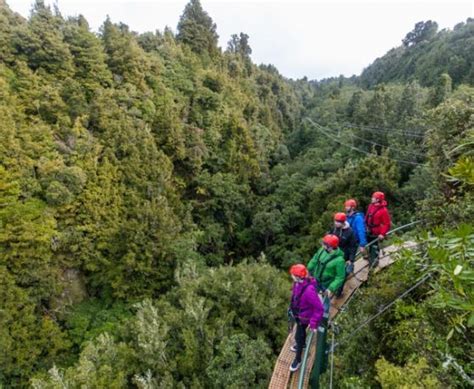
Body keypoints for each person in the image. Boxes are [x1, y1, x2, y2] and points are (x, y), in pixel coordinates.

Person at [288, 264, 324, 372]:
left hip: (304, 317)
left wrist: (313, 323)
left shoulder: (309, 291)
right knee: (301, 333)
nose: (291, 276)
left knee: (299, 336)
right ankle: (302, 344)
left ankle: (298, 360)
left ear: (298, 276)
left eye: (293, 275)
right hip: (299, 315)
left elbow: (319, 308)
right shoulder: (298, 283)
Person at [307, 234, 346, 305]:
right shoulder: (322, 250)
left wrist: (331, 288)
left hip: (327, 285)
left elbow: (340, 277)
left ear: (330, 247)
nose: (323, 246)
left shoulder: (339, 261)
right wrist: (309, 269)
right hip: (316, 279)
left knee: (325, 303)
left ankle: (324, 315)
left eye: (325, 244)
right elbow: (315, 259)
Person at [365, 191, 391, 266]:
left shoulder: (383, 211)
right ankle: (371, 258)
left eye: (373, 197)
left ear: (378, 199)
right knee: (370, 245)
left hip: (376, 231)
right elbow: (367, 216)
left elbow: (387, 224)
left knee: (374, 246)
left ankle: (374, 262)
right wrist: (365, 226)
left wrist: (382, 234)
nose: (372, 198)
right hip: (369, 229)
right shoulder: (371, 206)